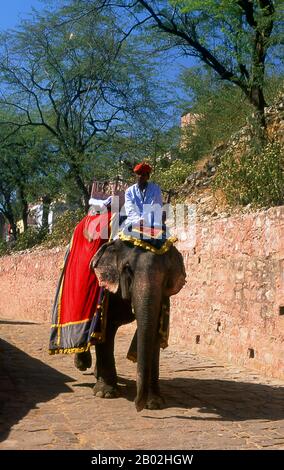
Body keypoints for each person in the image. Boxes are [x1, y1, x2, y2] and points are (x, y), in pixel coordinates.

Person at [49, 196, 115, 360]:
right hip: (95, 273)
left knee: (81, 307)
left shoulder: (81, 225)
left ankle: (79, 346)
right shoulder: (110, 220)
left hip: (75, 276)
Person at [124, 162, 163, 235]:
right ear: (136, 176)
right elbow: (129, 208)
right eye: (139, 174)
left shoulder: (155, 189)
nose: (141, 176)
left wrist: (146, 220)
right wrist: (138, 220)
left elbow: (157, 206)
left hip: (152, 223)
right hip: (134, 222)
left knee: (164, 241)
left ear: (148, 177)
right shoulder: (129, 191)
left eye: (143, 174)